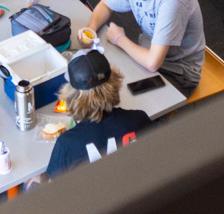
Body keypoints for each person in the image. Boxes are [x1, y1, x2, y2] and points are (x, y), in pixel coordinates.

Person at [81, 0, 206, 97]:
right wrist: (91, 30)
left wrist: (120, 39)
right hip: (148, 54)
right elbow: (105, 5)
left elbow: (153, 63)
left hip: (177, 73)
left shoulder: (171, 1)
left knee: (122, 101)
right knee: (98, 83)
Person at [26, 51, 151, 187]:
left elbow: (54, 190)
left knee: (29, 185)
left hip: (92, 206)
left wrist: (41, 179)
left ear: (72, 95)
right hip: (138, 199)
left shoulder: (67, 145)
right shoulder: (140, 119)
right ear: (114, 82)